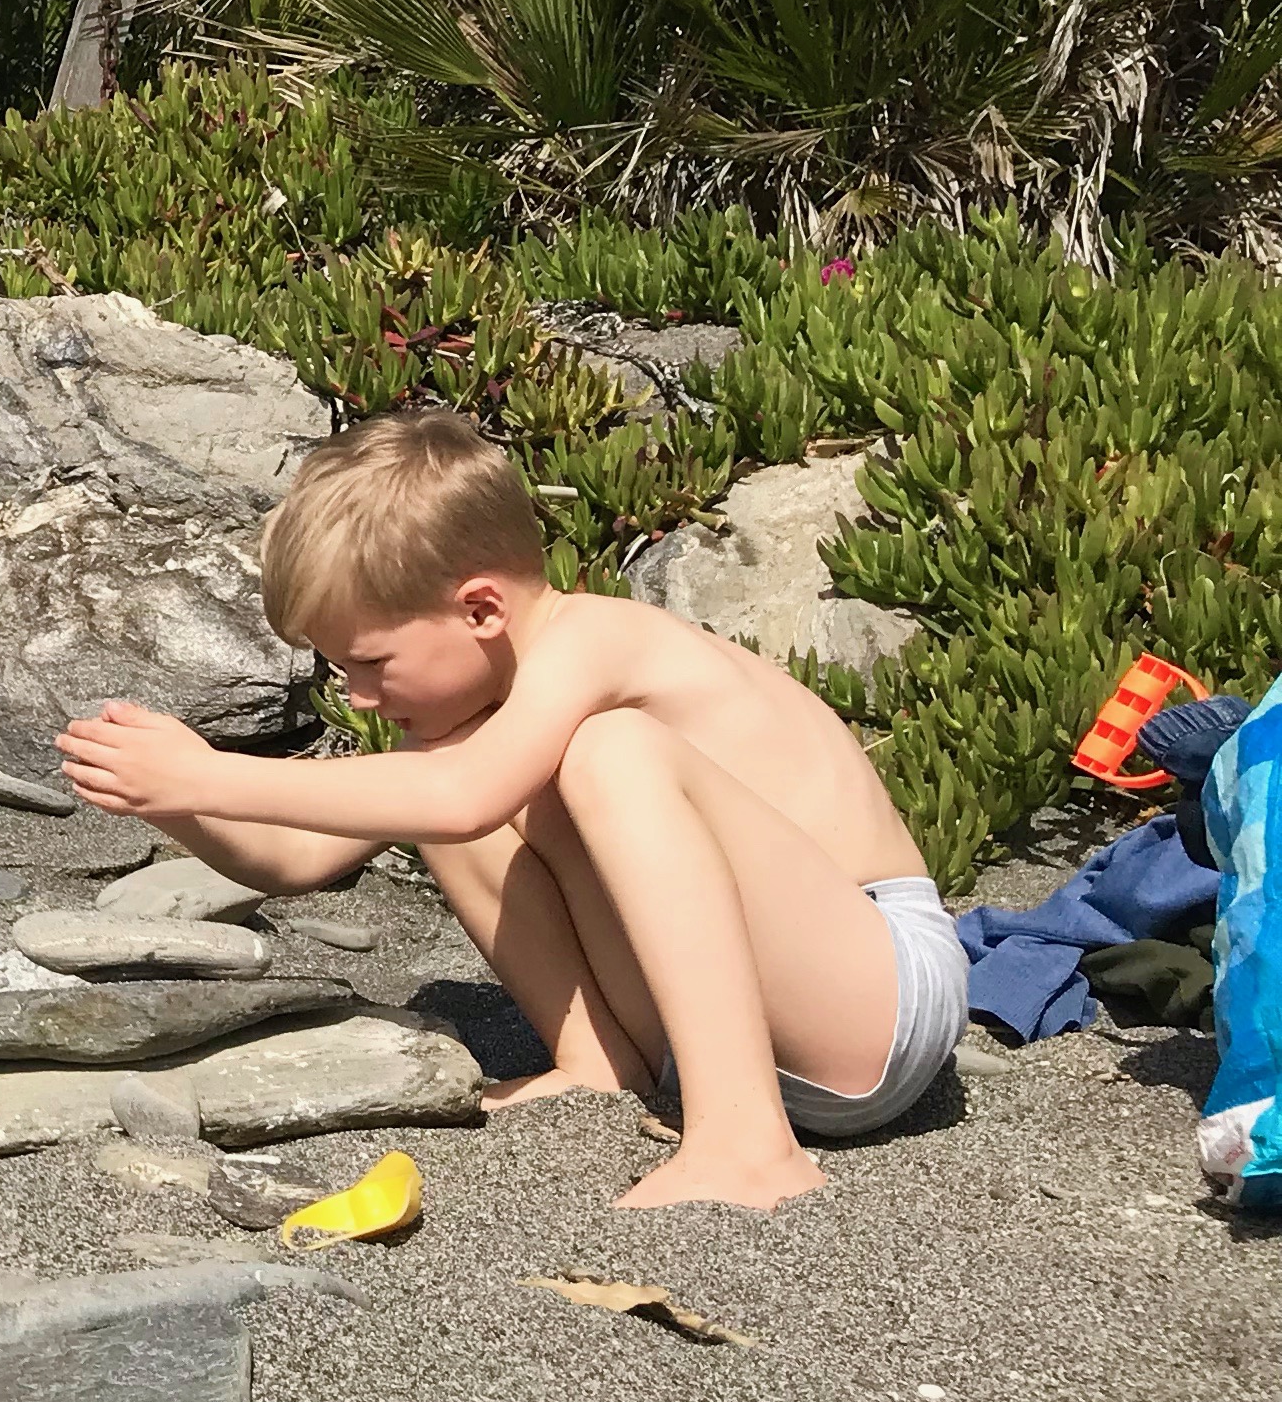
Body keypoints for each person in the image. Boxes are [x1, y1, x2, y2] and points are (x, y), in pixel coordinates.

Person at [55, 407, 962, 1209]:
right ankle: (597, 1065)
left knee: (600, 752)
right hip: (740, 1037)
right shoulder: (477, 730)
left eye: (370, 661)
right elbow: (294, 860)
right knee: (438, 774)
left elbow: (464, 798)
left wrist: (212, 772)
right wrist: (164, 797)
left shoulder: (598, 639)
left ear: (481, 607)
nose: (355, 693)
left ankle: (745, 1145)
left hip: (878, 996)